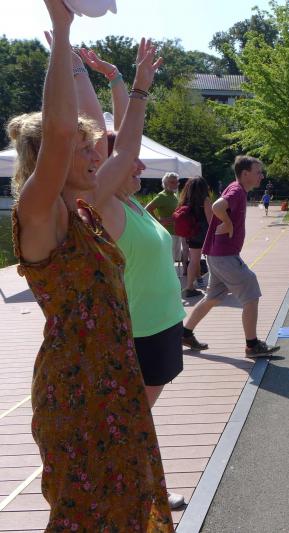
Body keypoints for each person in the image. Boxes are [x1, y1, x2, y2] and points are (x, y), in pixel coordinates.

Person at [9, 4, 173, 528]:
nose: (94, 156)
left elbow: (124, 151)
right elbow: (60, 134)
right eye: (83, 150)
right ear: (52, 159)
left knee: (128, 502)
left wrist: (138, 87)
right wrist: (63, 30)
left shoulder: (87, 207)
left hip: (116, 378)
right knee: (84, 513)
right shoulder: (41, 215)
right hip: (75, 388)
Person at [81, 42, 188, 509]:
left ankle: (129, 486)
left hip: (160, 327)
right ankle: (134, 490)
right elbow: (118, 144)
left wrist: (117, 80)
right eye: (127, 161)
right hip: (138, 333)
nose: (138, 163)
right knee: (131, 420)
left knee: (134, 419)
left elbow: (127, 137)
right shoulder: (103, 204)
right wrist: (84, 74)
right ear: (105, 167)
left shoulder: (130, 204)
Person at [181, 155, 280, 358]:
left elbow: (219, 207)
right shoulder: (237, 191)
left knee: (212, 298)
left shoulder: (236, 189)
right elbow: (217, 206)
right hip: (224, 256)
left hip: (218, 255)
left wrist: (227, 222)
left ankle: (185, 333)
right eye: (258, 172)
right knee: (251, 291)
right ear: (245, 174)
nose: (261, 176)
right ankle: (252, 345)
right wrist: (227, 222)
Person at [179, 177, 213, 298]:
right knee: (212, 260)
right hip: (205, 235)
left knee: (194, 261)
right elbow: (210, 221)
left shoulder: (186, 200)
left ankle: (189, 287)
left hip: (192, 234)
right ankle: (214, 286)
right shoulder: (205, 200)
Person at [146, 172, 181, 261]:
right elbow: (147, 209)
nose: (175, 184)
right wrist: (158, 222)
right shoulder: (162, 196)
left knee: (174, 259)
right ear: (165, 183)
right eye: (172, 182)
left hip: (176, 232)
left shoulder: (174, 195)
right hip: (168, 233)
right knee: (169, 259)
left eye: (177, 182)